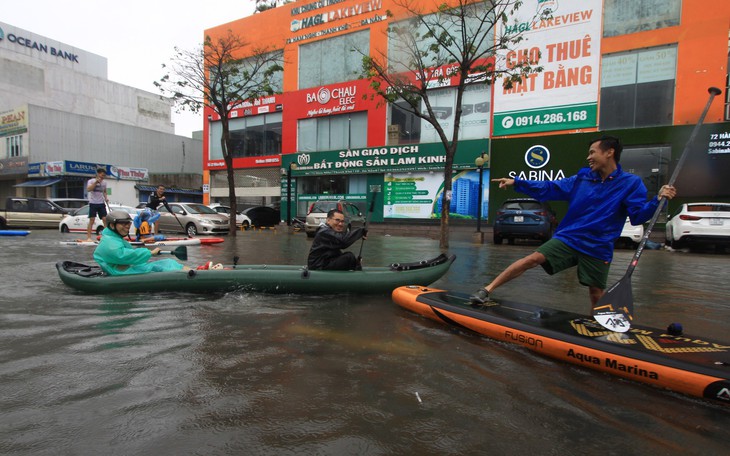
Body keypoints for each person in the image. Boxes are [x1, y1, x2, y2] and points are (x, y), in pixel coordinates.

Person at [470, 135, 677, 311]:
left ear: (609, 152)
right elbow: (549, 187)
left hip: (599, 245)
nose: (588, 158)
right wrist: (517, 182)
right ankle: (486, 290)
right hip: (570, 237)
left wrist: (658, 200)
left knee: (596, 292)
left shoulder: (631, 184)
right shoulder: (582, 178)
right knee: (532, 259)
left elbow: (639, 216)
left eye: (592, 152)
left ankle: (597, 330)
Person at [94, 210, 185, 275]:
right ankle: (192, 273)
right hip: (120, 272)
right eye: (123, 223)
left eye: (128, 223)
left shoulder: (114, 238)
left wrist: (148, 254)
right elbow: (122, 255)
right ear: (112, 225)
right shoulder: (109, 241)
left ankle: (193, 271)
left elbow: (128, 255)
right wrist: (150, 252)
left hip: (123, 269)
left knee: (168, 262)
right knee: (161, 266)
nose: (127, 226)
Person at [85, 168, 109, 241]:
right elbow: (88, 189)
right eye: (102, 175)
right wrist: (96, 182)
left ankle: (105, 236)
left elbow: (104, 191)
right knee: (92, 220)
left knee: (105, 219)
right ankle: (89, 237)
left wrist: (106, 198)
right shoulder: (91, 181)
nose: (103, 177)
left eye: (104, 175)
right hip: (93, 203)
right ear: (98, 174)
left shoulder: (104, 183)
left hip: (101, 203)